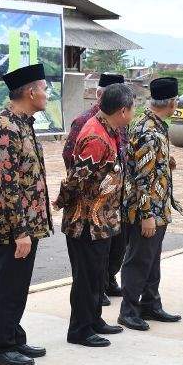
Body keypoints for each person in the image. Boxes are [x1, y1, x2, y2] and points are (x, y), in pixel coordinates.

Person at [0, 63, 53, 365]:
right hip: (13, 226)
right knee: (7, 284)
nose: (47, 94)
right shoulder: (6, 127)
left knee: (18, 283)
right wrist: (21, 231)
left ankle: (13, 336)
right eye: (45, 88)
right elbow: (7, 185)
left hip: (28, 222)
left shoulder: (24, 122)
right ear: (31, 91)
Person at [55, 84, 135, 347]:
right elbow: (77, 179)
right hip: (86, 221)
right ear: (123, 110)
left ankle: (94, 320)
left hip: (102, 219)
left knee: (97, 275)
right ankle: (80, 329)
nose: (133, 113)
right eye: (132, 108)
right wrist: (60, 202)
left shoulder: (109, 129)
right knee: (86, 278)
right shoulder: (96, 138)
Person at [118, 78, 183, 331]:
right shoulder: (149, 131)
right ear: (172, 102)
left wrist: (167, 162)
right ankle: (129, 310)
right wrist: (146, 215)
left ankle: (151, 304)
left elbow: (147, 165)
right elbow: (141, 179)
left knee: (152, 258)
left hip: (158, 207)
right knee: (138, 259)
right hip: (146, 209)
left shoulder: (154, 126)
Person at [63, 73, 128, 306]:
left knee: (107, 258)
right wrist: (67, 198)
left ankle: (98, 306)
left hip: (108, 207)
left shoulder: (114, 125)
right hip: (88, 212)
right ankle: (84, 323)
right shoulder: (90, 127)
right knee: (87, 273)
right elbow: (75, 166)